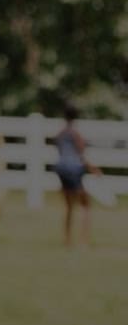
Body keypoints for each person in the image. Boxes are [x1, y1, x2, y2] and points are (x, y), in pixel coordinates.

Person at [54, 104, 100, 248]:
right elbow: (81, 154)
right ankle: (83, 241)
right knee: (85, 205)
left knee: (68, 206)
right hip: (74, 169)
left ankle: (67, 240)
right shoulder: (76, 133)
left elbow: (61, 152)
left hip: (61, 168)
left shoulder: (60, 133)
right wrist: (93, 169)